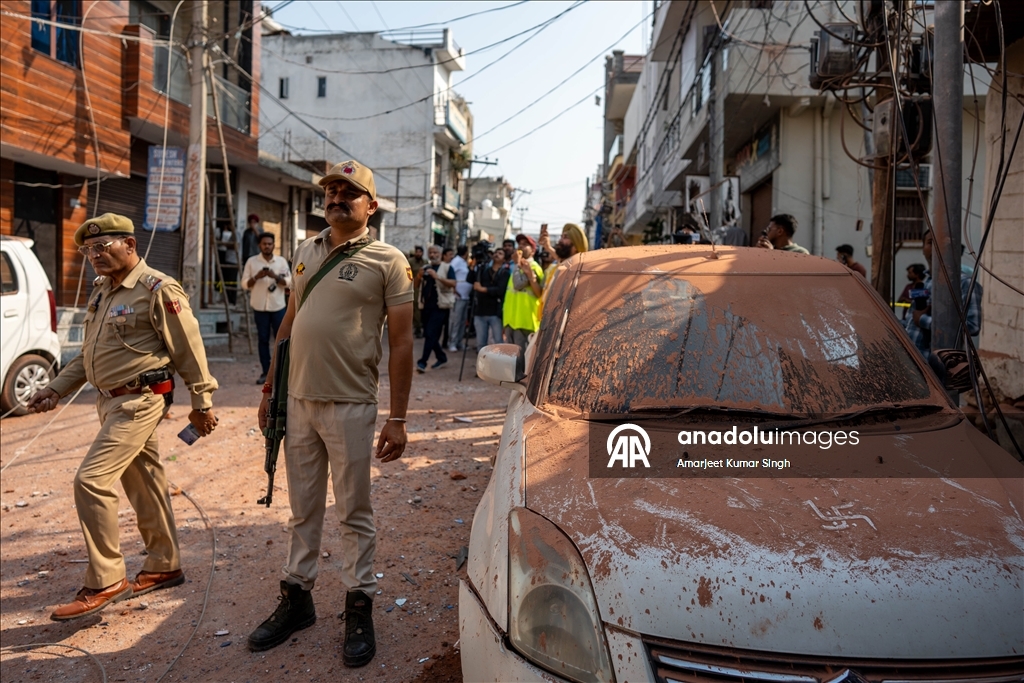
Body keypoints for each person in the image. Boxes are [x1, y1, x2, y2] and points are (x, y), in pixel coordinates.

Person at [249, 160, 414, 667]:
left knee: (353, 512)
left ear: (372, 204)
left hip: (350, 404)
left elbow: (403, 342)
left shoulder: (389, 260)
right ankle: (298, 599)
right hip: (297, 401)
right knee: (302, 509)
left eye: (350, 191)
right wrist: (270, 387)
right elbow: (290, 324)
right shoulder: (304, 251)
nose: (337, 198)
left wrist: (399, 418)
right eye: (332, 191)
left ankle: (358, 604)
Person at [27, 213, 218, 621]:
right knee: (145, 481)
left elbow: (189, 348)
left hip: (140, 400)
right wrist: (54, 388)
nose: (94, 255)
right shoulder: (102, 291)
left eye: (103, 246)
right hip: (108, 402)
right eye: (88, 250)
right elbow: (87, 355)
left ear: (130, 246)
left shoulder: (157, 289)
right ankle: (164, 565)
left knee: (91, 481)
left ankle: (106, 579)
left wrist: (202, 404)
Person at [903, 229, 982, 361]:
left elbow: (972, 327)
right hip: (912, 363)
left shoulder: (964, 283)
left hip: (936, 367)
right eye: (930, 242)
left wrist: (923, 320)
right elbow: (911, 321)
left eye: (942, 243)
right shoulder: (926, 281)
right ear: (923, 249)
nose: (936, 247)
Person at [241, 232, 292, 384]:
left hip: (278, 307)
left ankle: (281, 373)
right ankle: (265, 373)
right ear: (259, 245)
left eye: (270, 244)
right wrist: (257, 277)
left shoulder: (281, 262)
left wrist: (274, 276)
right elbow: (244, 284)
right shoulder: (252, 262)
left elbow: (289, 282)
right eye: (264, 244)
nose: (267, 246)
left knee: (281, 340)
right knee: (263, 340)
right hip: (259, 307)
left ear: (273, 245)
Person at [503, 234, 544, 357]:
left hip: (525, 321)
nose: (520, 246)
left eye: (525, 244)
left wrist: (516, 264)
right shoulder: (518, 267)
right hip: (511, 320)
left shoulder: (533, 267)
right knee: (510, 359)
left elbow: (518, 284)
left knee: (521, 360)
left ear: (532, 251)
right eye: (519, 244)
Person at [416, 245, 455, 372]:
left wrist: (437, 277)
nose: (432, 255)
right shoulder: (425, 268)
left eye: (435, 252)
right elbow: (415, 285)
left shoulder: (447, 267)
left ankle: (423, 362)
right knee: (429, 334)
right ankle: (441, 357)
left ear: (440, 253)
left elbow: (453, 284)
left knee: (430, 333)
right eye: (430, 253)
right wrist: (419, 276)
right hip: (425, 305)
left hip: (440, 305)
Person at [469, 247, 509, 349]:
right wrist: (473, 266)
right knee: (481, 344)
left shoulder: (505, 273)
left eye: (500, 253)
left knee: (498, 342)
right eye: (496, 252)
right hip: (480, 311)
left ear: (504, 259)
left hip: (495, 313)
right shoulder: (484, 270)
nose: (496, 254)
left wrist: (482, 289)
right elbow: (470, 280)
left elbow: (499, 290)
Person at [446, 245, 472, 353]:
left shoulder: (464, 262)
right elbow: (450, 274)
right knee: (455, 321)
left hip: (465, 296)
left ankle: (459, 342)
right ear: (466, 252)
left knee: (462, 321)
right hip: (458, 296)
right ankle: (451, 342)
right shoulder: (456, 261)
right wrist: (454, 290)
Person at [407, 246, 427, 338]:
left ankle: (422, 326)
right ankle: (417, 328)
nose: (418, 253)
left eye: (420, 252)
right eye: (417, 252)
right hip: (414, 287)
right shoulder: (410, 262)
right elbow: (407, 275)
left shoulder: (425, 262)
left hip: (424, 287)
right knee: (416, 308)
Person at [219, 224, 239, 304]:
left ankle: (231, 300)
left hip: (233, 260)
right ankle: (229, 299)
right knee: (229, 280)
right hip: (230, 259)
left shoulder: (236, 233)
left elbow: (236, 245)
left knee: (231, 281)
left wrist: (224, 244)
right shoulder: (233, 234)